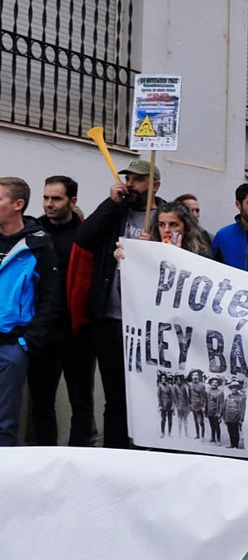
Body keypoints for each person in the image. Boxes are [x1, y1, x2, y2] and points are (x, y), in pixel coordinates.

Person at [71, 159, 165, 448]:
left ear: (155, 185)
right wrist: (109, 204)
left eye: (139, 180)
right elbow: (84, 239)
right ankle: (114, 451)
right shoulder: (116, 212)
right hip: (111, 319)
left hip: (148, 324)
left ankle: (145, 450)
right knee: (115, 395)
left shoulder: (167, 216)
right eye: (129, 179)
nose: (131, 185)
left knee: (148, 394)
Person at [28, 176, 95, 446]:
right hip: (41, 329)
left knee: (81, 401)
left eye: (56, 198)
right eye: (46, 198)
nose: (48, 204)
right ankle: (45, 456)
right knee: (41, 401)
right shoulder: (32, 232)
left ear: (72, 201)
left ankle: (79, 456)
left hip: (77, 331)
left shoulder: (85, 234)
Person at [0, 177, 60, 446]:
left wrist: (26, 343)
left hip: (11, 345)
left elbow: (50, 299)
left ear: (18, 204)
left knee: (5, 421)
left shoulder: (38, 246)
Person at [223, 379, 246, 449]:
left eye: (235, 387)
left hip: (236, 416)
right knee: (230, 431)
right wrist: (223, 416)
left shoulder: (241, 397)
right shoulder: (228, 396)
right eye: (233, 387)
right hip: (228, 416)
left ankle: (236, 445)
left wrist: (241, 418)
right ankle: (232, 444)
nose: (234, 389)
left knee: (235, 431)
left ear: (238, 389)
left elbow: (243, 409)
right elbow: (224, 406)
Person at [205, 376, 225, 444]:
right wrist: (205, 410)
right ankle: (213, 438)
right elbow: (206, 401)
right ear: (210, 383)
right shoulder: (208, 391)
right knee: (212, 425)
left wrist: (220, 412)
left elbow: (221, 403)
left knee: (217, 426)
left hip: (216, 411)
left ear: (218, 384)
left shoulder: (220, 392)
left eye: (216, 382)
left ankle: (218, 440)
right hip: (210, 411)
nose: (214, 384)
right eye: (213, 382)